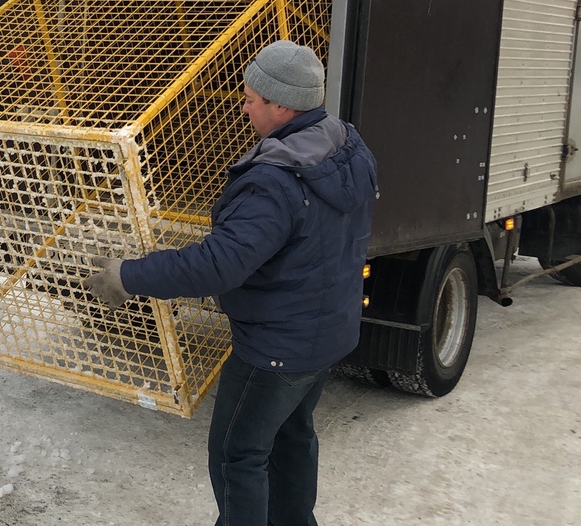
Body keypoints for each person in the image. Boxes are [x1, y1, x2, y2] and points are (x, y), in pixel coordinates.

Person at [83, 39, 377, 526]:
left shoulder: (276, 181)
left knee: (238, 456)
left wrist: (129, 275)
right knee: (292, 437)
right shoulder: (347, 144)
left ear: (281, 104)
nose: (244, 107)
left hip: (275, 349)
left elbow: (220, 263)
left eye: (251, 99)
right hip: (328, 332)